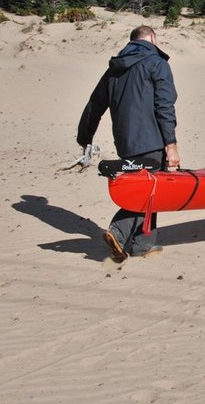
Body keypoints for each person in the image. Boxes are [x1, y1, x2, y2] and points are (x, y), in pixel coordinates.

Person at [77, 25, 180, 261]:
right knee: (147, 191)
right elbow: (164, 105)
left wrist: (85, 137)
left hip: (125, 141)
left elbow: (95, 105)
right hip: (152, 139)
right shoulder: (157, 63)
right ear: (152, 39)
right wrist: (171, 144)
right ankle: (118, 231)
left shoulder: (114, 68)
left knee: (149, 189)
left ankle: (143, 243)